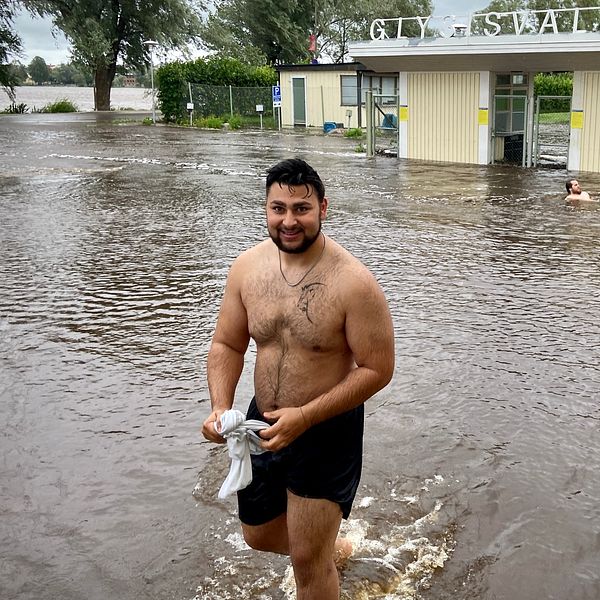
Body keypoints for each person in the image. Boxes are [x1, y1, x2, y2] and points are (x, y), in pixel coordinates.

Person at [201, 158, 395, 599]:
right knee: (258, 535)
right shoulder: (247, 269)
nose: (289, 220)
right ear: (266, 208)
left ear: (323, 208)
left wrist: (306, 416)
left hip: (326, 430)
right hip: (263, 425)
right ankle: (333, 549)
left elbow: (378, 369)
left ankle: (319, 557)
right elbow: (227, 345)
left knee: (308, 565)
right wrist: (219, 407)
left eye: (301, 209)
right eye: (278, 208)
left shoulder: (354, 283)